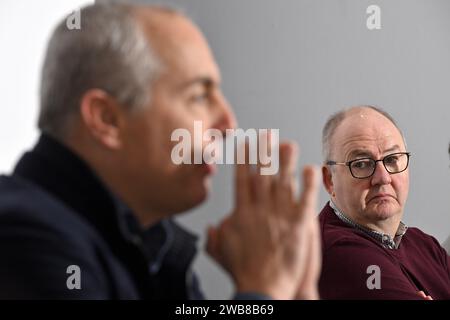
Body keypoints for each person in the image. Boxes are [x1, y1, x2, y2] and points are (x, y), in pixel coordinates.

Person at [0, 3, 321, 299]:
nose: (228, 125)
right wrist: (265, 287)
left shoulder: (151, 243)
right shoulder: (24, 237)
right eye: (199, 96)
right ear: (106, 119)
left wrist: (300, 289)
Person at [318, 105, 450, 299]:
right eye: (361, 164)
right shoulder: (337, 252)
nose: (383, 177)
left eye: (392, 159)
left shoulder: (423, 243)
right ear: (330, 179)